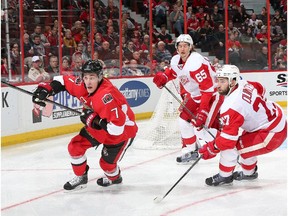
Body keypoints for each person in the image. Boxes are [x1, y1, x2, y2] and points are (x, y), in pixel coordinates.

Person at [31, 60, 138, 190]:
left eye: (92, 77)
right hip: (103, 124)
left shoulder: (106, 96)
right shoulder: (82, 85)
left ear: (100, 77)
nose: (88, 81)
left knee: (107, 166)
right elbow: (62, 80)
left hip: (122, 132)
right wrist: (46, 89)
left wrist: (94, 120)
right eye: (85, 77)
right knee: (75, 146)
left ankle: (115, 178)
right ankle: (81, 177)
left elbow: (116, 129)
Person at [199, 64, 287, 186]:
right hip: (274, 118)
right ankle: (249, 173)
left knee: (234, 147)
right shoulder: (244, 83)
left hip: (272, 132)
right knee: (245, 144)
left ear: (233, 81)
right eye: (218, 80)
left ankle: (225, 176)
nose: (218, 85)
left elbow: (227, 141)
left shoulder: (231, 105)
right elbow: (261, 88)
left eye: (222, 81)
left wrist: (211, 148)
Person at [153, 34, 224, 164]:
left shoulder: (195, 62)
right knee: (183, 121)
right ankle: (191, 150)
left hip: (212, 95)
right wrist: (164, 77)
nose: (182, 49)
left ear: (190, 47)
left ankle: (230, 146)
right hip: (195, 95)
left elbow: (207, 90)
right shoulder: (176, 60)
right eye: (180, 46)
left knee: (201, 128)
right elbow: (174, 72)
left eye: (185, 46)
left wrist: (203, 111)